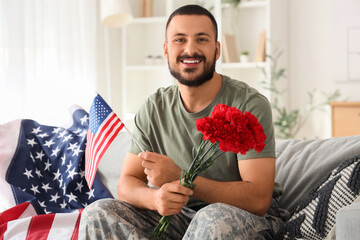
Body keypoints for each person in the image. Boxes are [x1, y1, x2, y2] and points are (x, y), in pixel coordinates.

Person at [79, 4, 288, 240]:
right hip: (179, 218)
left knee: (212, 218)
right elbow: (127, 182)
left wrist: (182, 178)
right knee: (98, 212)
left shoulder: (249, 104)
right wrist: (155, 199)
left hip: (246, 220)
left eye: (202, 39)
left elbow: (258, 199)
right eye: (180, 40)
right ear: (166, 50)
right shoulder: (153, 108)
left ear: (216, 50)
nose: (191, 49)